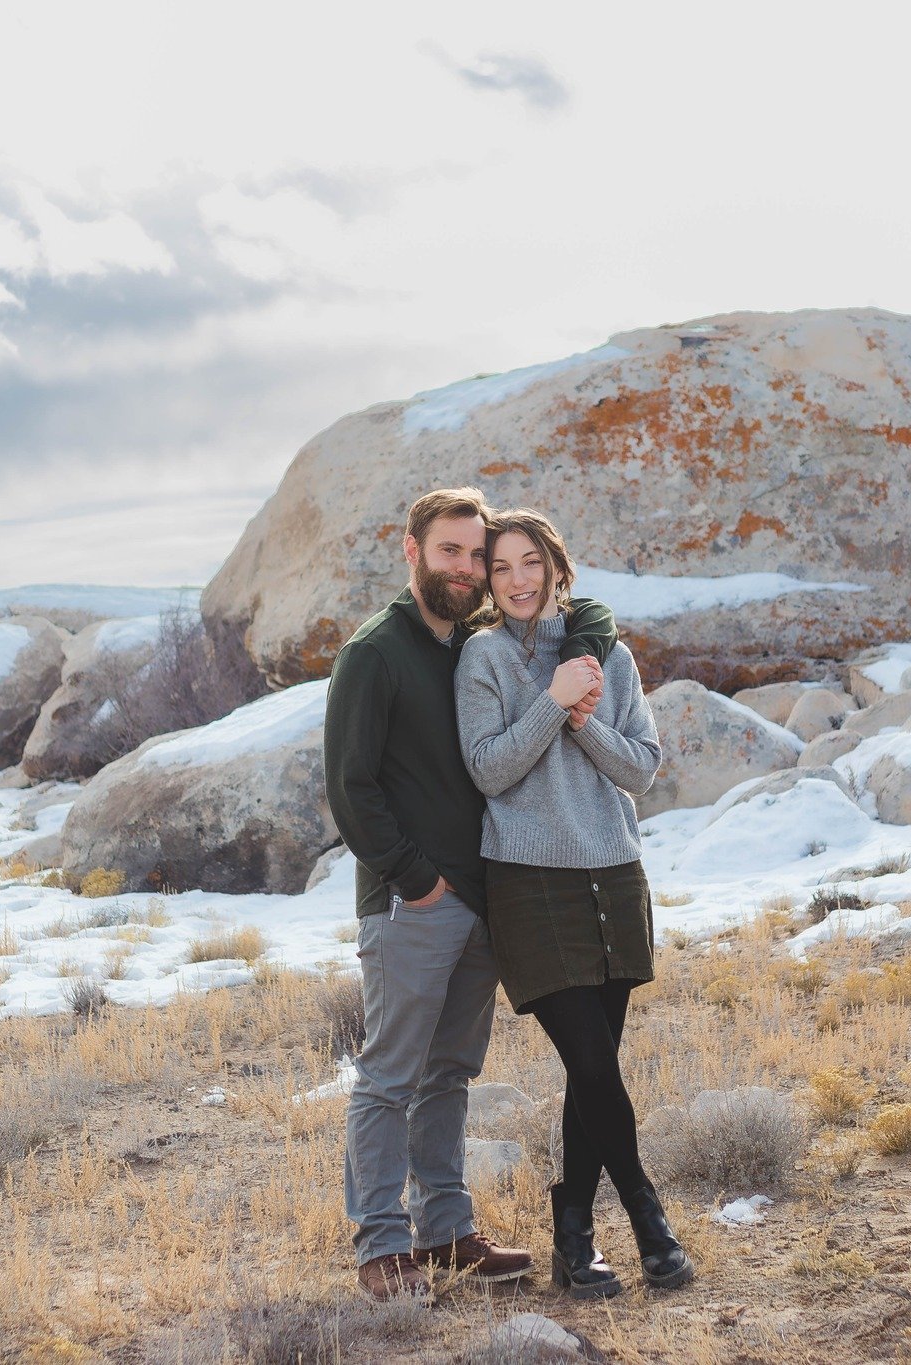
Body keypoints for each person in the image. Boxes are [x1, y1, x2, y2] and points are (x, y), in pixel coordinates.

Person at [322, 487, 619, 1302]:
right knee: (389, 1075)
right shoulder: (375, 652)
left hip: (483, 895)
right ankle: (382, 1246)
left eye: (474, 556)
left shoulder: (470, 644)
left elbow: (579, 612)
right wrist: (417, 881)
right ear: (411, 550)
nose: (465, 568)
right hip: (413, 902)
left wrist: (592, 639)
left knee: (449, 1072)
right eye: (449, 551)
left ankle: (447, 1231)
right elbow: (351, 788)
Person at [453, 508, 692, 1299]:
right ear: (490, 582)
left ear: (558, 565)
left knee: (596, 1075)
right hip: (531, 883)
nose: (519, 580)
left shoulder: (611, 656)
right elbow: (490, 769)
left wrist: (584, 715)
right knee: (589, 1060)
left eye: (532, 563)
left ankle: (573, 1242)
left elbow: (642, 769)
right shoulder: (483, 656)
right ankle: (649, 1220)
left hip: (613, 876)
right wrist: (552, 701)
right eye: (502, 568)